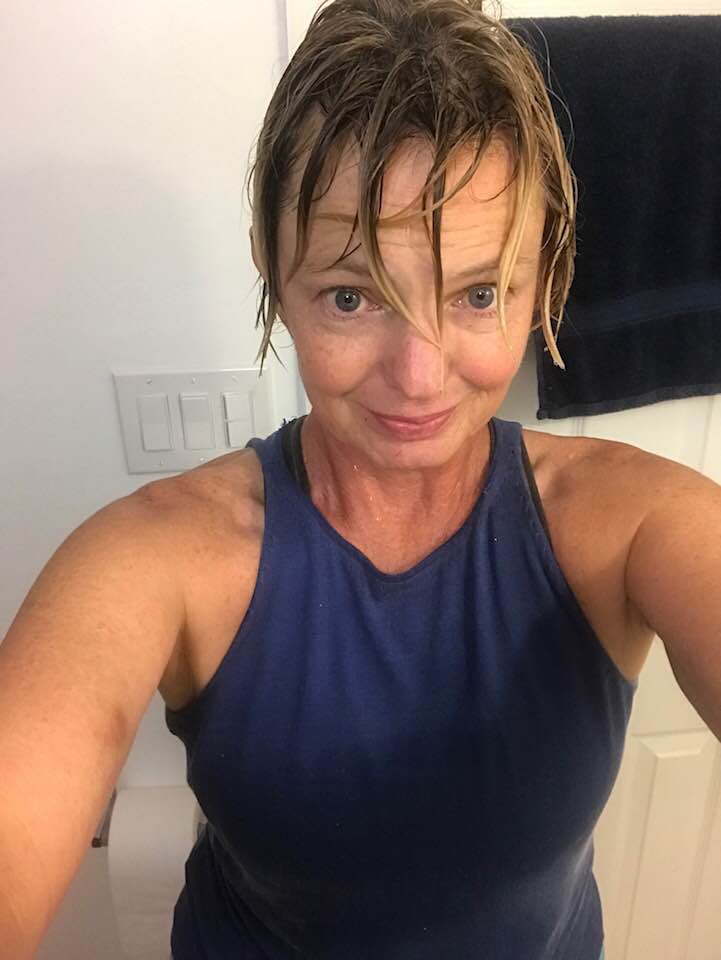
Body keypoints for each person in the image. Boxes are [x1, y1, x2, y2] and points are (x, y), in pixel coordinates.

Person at [2, 1, 720, 958]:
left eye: (478, 293)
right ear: (272, 267)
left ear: (541, 275)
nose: (418, 376)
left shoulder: (630, 523)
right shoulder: (159, 559)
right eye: (351, 296)